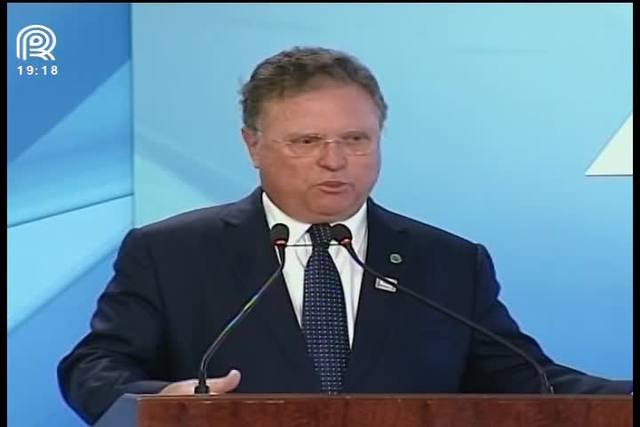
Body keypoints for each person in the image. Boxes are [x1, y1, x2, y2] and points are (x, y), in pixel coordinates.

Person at [58, 46, 632, 425]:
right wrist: (160, 402)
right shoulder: (172, 252)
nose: (334, 161)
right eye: (306, 141)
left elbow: (528, 380)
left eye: (356, 140)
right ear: (252, 145)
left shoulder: (448, 262)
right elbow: (94, 367)